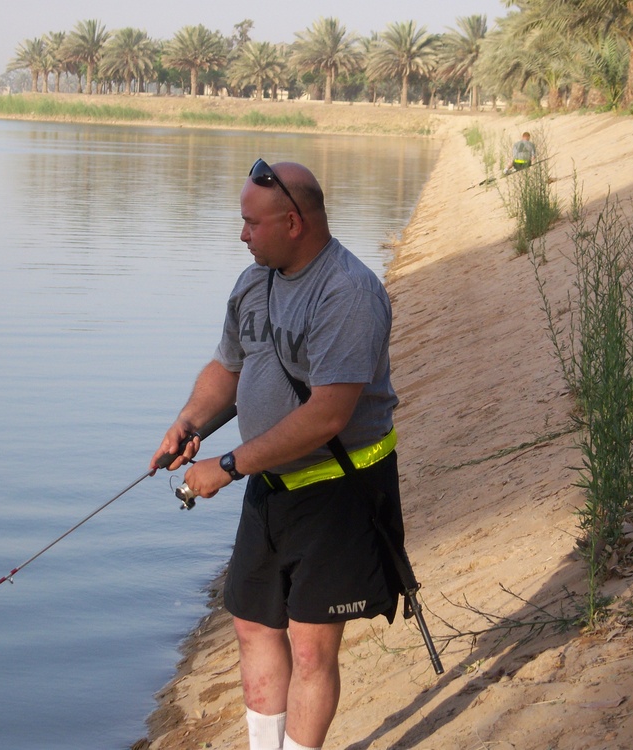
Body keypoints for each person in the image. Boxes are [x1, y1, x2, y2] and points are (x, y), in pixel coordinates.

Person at [151, 158, 406, 750]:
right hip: (272, 488)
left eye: (251, 223)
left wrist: (229, 465)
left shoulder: (348, 292)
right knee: (251, 626)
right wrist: (191, 422)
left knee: (312, 647)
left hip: (339, 491)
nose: (241, 234)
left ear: (293, 222)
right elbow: (229, 368)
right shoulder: (253, 281)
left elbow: (327, 416)